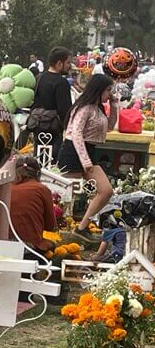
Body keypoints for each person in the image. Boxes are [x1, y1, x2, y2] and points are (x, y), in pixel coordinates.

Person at [56, 73, 118, 233]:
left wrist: (114, 105)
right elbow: (76, 133)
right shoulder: (83, 108)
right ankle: (58, 227)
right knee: (65, 196)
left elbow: (110, 126)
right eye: (107, 91)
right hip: (73, 151)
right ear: (99, 90)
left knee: (106, 191)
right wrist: (85, 161)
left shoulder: (99, 108)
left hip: (90, 150)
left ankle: (82, 225)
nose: (109, 94)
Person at [26, 46, 73, 155]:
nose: (69, 66)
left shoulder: (39, 77)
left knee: (38, 158)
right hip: (53, 129)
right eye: (68, 63)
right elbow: (64, 110)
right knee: (51, 161)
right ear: (59, 64)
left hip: (38, 126)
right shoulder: (62, 83)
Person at [9, 155, 57, 255]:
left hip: (3, 244)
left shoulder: (7, 189)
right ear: (38, 173)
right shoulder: (42, 189)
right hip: (32, 247)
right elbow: (50, 226)